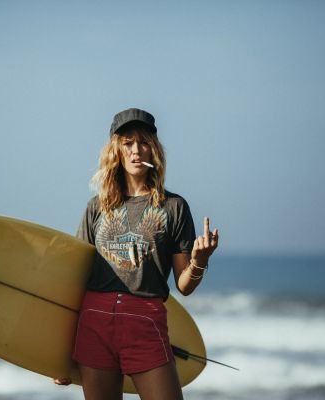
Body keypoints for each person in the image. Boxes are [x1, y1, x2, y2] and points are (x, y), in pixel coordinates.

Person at [54, 108, 219, 400]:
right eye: (128, 143)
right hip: (95, 322)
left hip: (145, 322)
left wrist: (199, 261)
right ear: (116, 150)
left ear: (153, 149)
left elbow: (184, 285)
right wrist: (57, 357)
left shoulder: (174, 207)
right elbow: (74, 278)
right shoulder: (97, 207)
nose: (135, 150)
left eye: (143, 142)